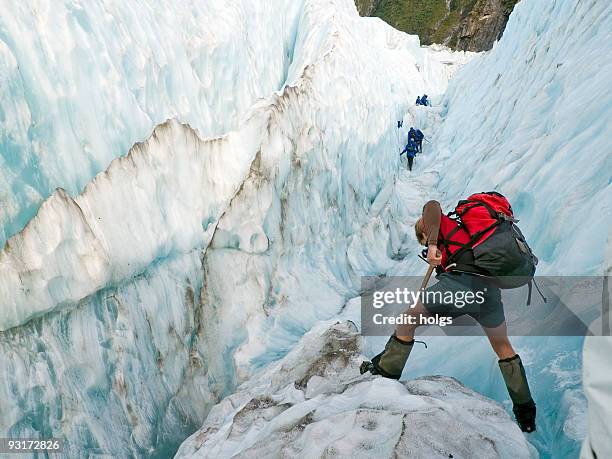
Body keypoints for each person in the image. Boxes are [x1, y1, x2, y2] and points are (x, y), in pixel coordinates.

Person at [362, 199, 537, 433]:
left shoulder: (440, 226)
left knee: (408, 320)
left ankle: (384, 375)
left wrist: (433, 245)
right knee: (503, 347)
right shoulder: (464, 241)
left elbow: (432, 206)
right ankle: (526, 414)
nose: (428, 252)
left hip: (461, 284)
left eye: (424, 244)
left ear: (424, 232)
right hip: (488, 294)